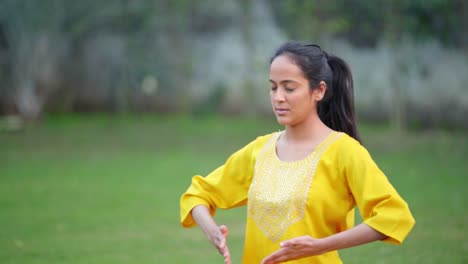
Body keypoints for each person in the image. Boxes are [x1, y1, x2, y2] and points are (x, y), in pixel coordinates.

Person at [179, 42, 415, 264]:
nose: (278, 97)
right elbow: (198, 194)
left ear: (319, 91)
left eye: (289, 87)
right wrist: (212, 231)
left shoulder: (345, 152)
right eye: (273, 87)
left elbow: (393, 215)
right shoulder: (259, 150)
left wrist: (319, 246)